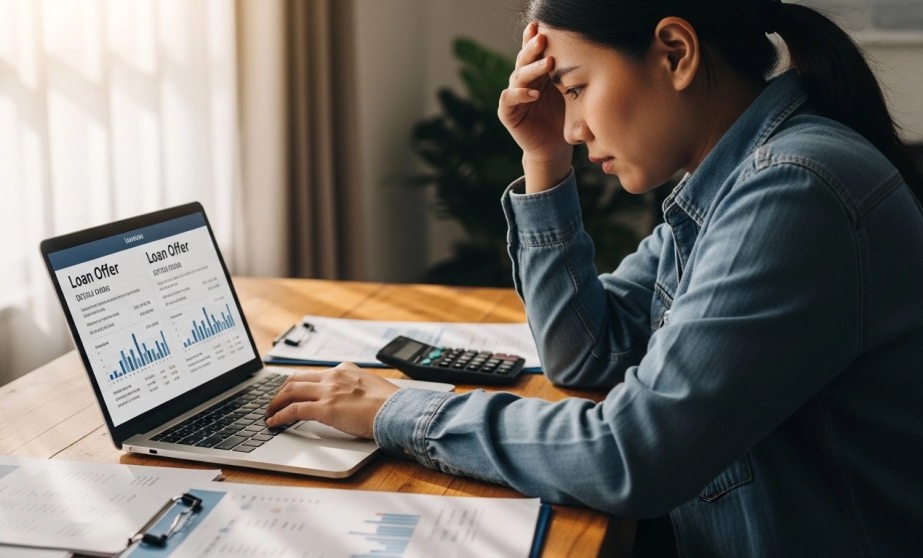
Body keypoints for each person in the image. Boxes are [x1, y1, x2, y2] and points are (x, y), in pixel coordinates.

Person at [267, 0, 923, 554]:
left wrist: (397, 409)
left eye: (575, 89)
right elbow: (584, 352)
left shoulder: (793, 192)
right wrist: (543, 158)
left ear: (674, 52)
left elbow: (631, 456)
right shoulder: (736, 183)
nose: (574, 126)